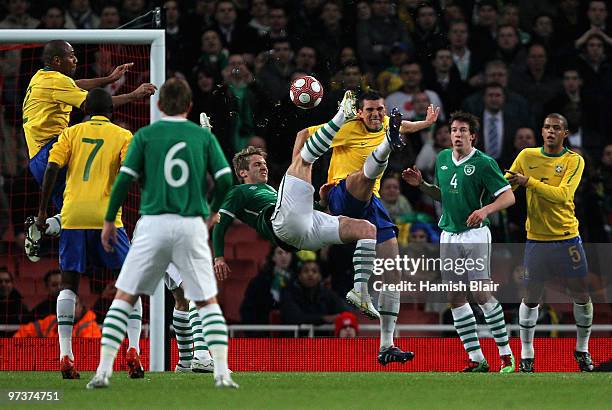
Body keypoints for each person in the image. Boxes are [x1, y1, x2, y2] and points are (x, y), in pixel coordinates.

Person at [87, 78, 235, 389]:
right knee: (202, 297)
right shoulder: (201, 136)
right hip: (188, 222)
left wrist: (109, 221)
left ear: (158, 105)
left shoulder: (145, 135)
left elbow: (124, 181)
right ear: (190, 106)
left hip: (151, 223)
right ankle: (215, 366)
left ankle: (104, 371)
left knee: (129, 295)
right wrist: (212, 210)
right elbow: (224, 180)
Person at [213, 92, 380, 327]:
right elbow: (220, 225)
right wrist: (219, 256)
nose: (264, 168)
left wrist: (321, 203)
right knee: (303, 160)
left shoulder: (272, 191)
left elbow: (301, 212)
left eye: (264, 163)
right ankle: (342, 115)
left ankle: (361, 291)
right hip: (281, 226)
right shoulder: (238, 192)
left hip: (303, 234)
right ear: (242, 173)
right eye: (256, 165)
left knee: (366, 229)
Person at [312, 91, 438, 365]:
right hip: (340, 193)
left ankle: (386, 345)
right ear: (359, 112)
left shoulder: (384, 123)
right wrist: (301, 178)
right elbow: (303, 137)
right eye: (370, 110)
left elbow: (404, 125)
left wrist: (425, 124)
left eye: (380, 110)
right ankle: (386, 149)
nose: (375, 114)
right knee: (363, 178)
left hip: (372, 203)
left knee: (393, 271)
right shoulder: (345, 128)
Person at [35, 88, 144, 380]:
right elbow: (130, 173)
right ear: (112, 111)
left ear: (86, 110)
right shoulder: (123, 135)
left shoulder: (70, 133)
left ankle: (66, 354)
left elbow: (51, 169)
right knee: (129, 283)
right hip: (107, 218)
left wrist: (44, 210)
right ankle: (133, 349)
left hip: (72, 217)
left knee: (68, 283)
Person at [402, 111, 516, 373]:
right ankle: (477, 359)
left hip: (475, 233)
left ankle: (506, 355)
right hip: (449, 234)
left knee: (480, 293)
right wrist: (421, 185)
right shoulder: (442, 159)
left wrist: (485, 210)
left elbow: (508, 197)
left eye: (463, 130)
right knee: (454, 296)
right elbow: (444, 195)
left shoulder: (485, 163)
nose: (457, 134)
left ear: (473, 136)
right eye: (454, 130)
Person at [23, 39, 156, 261]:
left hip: (38, 159)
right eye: (70, 55)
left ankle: (43, 227)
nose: (75, 59)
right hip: (51, 150)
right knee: (99, 166)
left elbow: (76, 84)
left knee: (71, 214)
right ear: (57, 60)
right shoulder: (55, 81)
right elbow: (96, 105)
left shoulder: (41, 77)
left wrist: (109, 79)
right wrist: (134, 95)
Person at [505, 113, 594, 372]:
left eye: (556, 128)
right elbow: (507, 188)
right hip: (536, 240)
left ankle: (582, 350)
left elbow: (563, 194)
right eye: (546, 127)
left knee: (582, 294)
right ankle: (527, 355)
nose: (551, 131)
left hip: (567, 237)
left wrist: (528, 182)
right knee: (531, 298)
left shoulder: (574, 160)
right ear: (541, 132)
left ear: (565, 133)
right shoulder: (526, 157)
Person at [14, 297, 100, 338]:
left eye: (74, 304)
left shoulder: (91, 328)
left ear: (82, 306)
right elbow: (23, 333)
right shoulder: (51, 321)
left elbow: (86, 355)